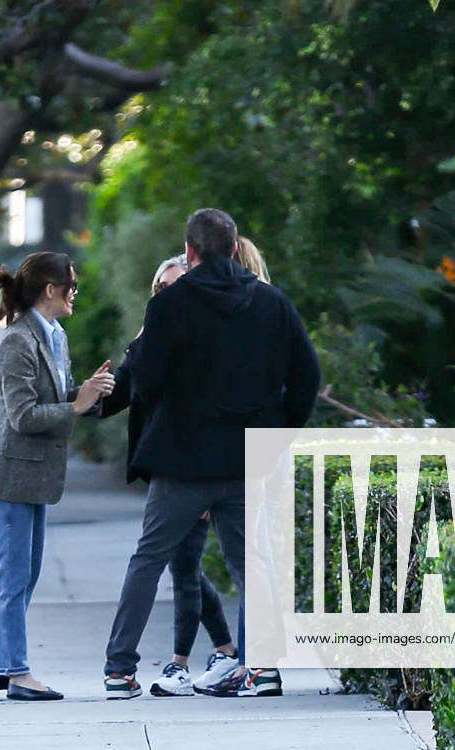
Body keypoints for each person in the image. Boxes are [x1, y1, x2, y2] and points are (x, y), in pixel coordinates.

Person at [103, 208, 320, 699]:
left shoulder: (169, 306)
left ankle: (119, 670)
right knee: (253, 565)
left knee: (148, 559)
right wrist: (278, 431)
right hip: (249, 458)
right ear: (235, 244)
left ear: (190, 251)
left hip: (182, 460)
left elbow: (148, 382)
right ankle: (263, 670)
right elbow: (306, 376)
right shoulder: (272, 303)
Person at [0, 251, 114, 702]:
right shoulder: (18, 341)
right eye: (71, 286)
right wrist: (76, 405)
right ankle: (15, 672)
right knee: (11, 577)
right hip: (8, 476)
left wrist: (89, 393)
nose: (75, 294)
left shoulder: (54, 335)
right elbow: (22, 416)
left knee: (24, 576)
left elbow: (58, 395)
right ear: (51, 290)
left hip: (33, 477)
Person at [100, 254, 238, 697]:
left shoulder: (205, 340)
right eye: (161, 287)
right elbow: (116, 396)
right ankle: (224, 651)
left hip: (199, 469)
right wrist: (76, 396)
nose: (167, 294)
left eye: (176, 286)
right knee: (181, 566)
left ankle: (191, 662)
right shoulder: (146, 343)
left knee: (184, 567)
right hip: (170, 472)